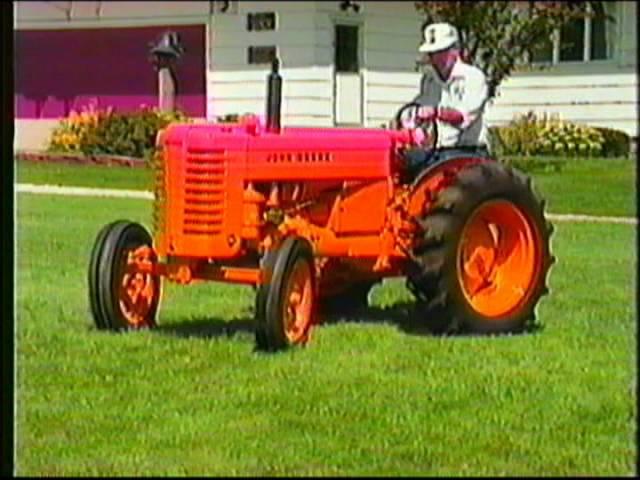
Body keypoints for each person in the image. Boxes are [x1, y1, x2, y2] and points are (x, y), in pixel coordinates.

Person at [404, 22, 491, 175]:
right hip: (440, 150)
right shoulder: (430, 81)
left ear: (454, 51)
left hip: (468, 151)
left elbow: (463, 118)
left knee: (433, 174)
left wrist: (436, 112)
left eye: (440, 52)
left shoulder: (473, 77)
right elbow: (419, 106)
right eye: (432, 54)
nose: (435, 59)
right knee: (404, 162)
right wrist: (411, 119)